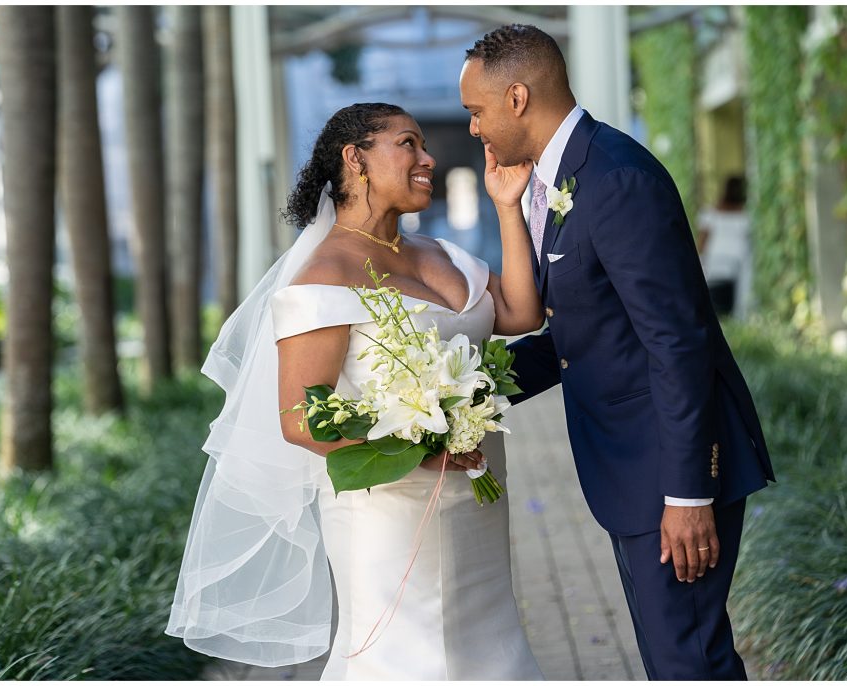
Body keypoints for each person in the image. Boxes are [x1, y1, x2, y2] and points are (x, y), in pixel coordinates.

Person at [167, 102, 546, 680]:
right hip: (387, 514)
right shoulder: (324, 278)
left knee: (489, 642)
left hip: (475, 502)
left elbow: (521, 311)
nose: (428, 158)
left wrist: (506, 207)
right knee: (405, 656)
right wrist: (424, 450)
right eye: (408, 144)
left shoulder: (440, 255)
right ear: (356, 159)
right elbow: (300, 421)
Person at [458, 25, 775, 680]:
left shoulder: (616, 178)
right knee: (673, 660)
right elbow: (583, 334)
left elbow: (677, 342)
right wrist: (460, 396)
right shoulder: (556, 183)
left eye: (476, 111)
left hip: (671, 476)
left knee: (689, 662)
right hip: (634, 475)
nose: (472, 129)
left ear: (516, 97)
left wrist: (687, 496)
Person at [697, 176, 752, 318]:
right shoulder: (746, 214)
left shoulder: (711, 213)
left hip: (715, 261)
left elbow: (702, 241)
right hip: (738, 262)